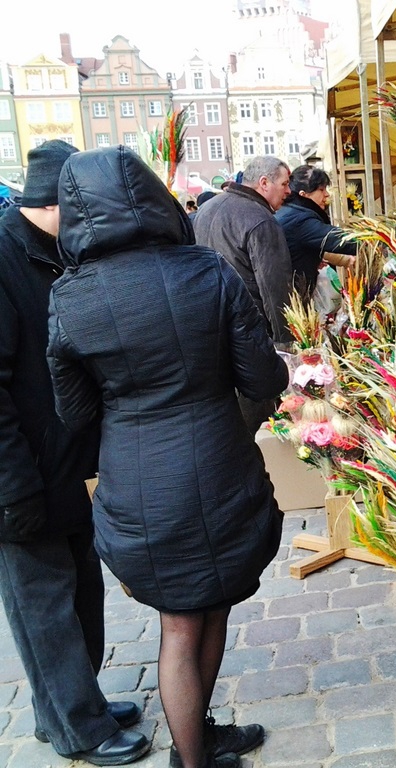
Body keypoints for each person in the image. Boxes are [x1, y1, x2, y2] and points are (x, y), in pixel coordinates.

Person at [48, 147, 288, 768]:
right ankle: (193, 754)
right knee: (205, 612)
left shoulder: (71, 299)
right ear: (156, 197)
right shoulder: (206, 273)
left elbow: (74, 413)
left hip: (139, 479)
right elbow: (261, 376)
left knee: (181, 621)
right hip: (220, 465)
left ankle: (196, 747)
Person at [0, 140, 151, 766]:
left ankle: (67, 704)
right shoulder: (5, 259)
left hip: (61, 460)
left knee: (81, 586)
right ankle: (78, 729)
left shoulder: (55, 252)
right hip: (17, 471)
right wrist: (13, 486)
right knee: (44, 605)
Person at [192, 155, 292, 433]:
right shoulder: (260, 220)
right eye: (284, 183)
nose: (288, 191)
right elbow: (275, 289)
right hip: (251, 336)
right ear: (264, 183)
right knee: (258, 426)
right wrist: (286, 343)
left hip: (210, 334)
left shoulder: (207, 209)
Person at [275, 164, 357, 302]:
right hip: (291, 298)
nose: (326, 194)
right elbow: (337, 239)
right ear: (304, 194)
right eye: (321, 189)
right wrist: (380, 238)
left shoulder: (292, 211)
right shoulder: (300, 220)